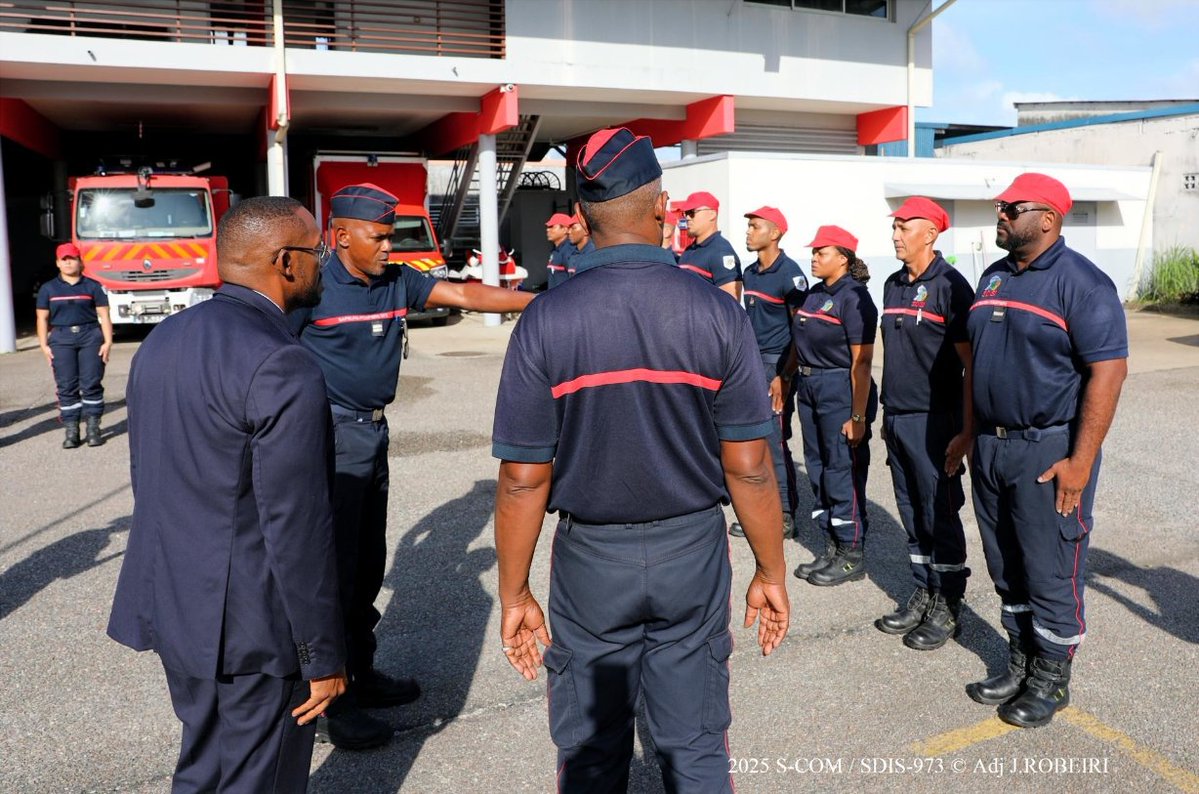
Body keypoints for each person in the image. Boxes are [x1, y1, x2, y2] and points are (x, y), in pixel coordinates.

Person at [492, 127, 789, 791]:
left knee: (593, 752)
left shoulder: (546, 319)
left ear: (588, 217)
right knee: (694, 747)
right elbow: (749, 466)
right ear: (659, 210)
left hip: (591, 561)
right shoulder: (716, 313)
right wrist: (771, 569)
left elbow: (520, 479)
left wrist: (513, 592)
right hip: (691, 550)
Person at [107, 196, 347, 791]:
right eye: (317, 252)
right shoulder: (282, 362)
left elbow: (153, 475)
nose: (325, 264)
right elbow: (296, 525)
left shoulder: (162, 339)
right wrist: (323, 655)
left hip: (176, 602)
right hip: (253, 627)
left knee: (204, 766)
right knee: (256, 779)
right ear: (285, 262)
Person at [292, 182, 534, 750]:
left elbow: (467, 297)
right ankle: (339, 702)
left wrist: (538, 302)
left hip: (372, 434)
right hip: (330, 438)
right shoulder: (312, 290)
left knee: (368, 563)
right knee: (339, 570)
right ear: (341, 234)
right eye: (377, 237)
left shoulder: (398, 280)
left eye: (390, 236)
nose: (386, 247)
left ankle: (362, 672)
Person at [965, 173, 1127, 728]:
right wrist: (970, 436)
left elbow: (1108, 372)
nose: (1001, 212)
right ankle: (1021, 658)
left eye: (1012, 206)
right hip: (991, 447)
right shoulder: (993, 277)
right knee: (1005, 562)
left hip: (1048, 450)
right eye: (1000, 205)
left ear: (1049, 219)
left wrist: (1080, 462)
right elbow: (976, 366)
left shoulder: (1083, 284)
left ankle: (1052, 676)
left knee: (1051, 565)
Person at [875, 197, 975, 650]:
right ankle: (925, 587)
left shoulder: (952, 286)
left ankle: (949, 603)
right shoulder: (893, 284)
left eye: (904, 227)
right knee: (910, 510)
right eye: (894, 227)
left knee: (939, 512)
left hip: (936, 421)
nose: (896, 234)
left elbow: (971, 366)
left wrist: (965, 430)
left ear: (931, 233)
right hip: (898, 417)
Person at [781, 225, 878, 587]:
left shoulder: (854, 298)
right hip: (810, 385)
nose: (814, 257)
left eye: (821, 252)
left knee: (842, 468)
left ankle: (851, 553)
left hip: (840, 386)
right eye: (814, 252)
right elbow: (798, 340)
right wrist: (787, 376)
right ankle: (831, 545)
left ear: (843, 258)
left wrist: (858, 415)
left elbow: (862, 363)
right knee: (819, 467)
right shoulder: (816, 293)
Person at [728, 206, 808, 540]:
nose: (749, 231)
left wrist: (785, 376)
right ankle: (764, 510)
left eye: (755, 226)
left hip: (777, 364)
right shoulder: (750, 271)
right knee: (756, 440)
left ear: (774, 233)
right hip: (752, 362)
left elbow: (800, 331)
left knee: (775, 441)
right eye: (748, 226)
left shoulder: (790, 275)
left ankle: (785, 514)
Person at [35, 243, 113, 448]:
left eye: (72, 258)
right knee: (67, 386)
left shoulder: (93, 286)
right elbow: (42, 319)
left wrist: (108, 342)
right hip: (61, 339)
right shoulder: (48, 289)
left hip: (90, 337)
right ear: (58, 263)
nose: (68, 262)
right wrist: (43, 345)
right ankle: (72, 431)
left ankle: (94, 428)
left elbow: (104, 316)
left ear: (80, 261)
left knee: (91, 383)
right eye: (64, 259)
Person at [673, 191, 742, 300]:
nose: (687, 218)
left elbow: (731, 306)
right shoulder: (690, 250)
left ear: (712, 214)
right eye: (685, 213)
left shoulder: (721, 252)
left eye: (692, 212)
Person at [545, 212, 574, 289]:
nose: (548, 230)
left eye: (552, 226)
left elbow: (575, 280)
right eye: (548, 227)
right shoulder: (555, 251)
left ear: (565, 229)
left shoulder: (569, 250)